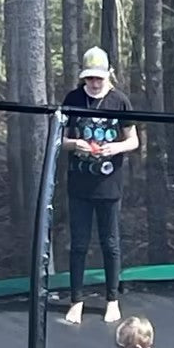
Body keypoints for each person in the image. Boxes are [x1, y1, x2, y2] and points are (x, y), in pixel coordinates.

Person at [61, 47, 139, 326]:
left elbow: (133, 141)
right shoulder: (73, 99)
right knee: (79, 244)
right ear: (83, 78)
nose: (94, 83)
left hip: (109, 183)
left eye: (99, 78)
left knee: (110, 243)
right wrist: (75, 144)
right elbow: (60, 139)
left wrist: (114, 147)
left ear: (108, 75)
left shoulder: (120, 101)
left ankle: (112, 299)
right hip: (79, 183)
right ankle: (76, 300)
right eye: (89, 78)